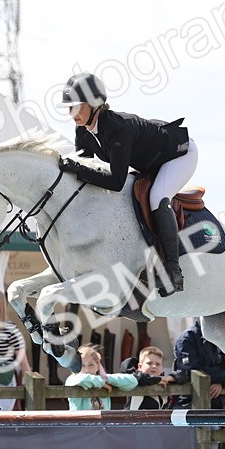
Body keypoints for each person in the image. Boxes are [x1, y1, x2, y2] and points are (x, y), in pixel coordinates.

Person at [57, 72, 195, 295]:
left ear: (94, 104)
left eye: (75, 106)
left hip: (177, 155)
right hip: (148, 163)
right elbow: (84, 170)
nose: (70, 113)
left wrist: (78, 169)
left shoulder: (116, 128)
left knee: (157, 196)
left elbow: (116, 181)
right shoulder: (82, 130)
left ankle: (173, 271)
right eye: (68, 107)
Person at [171, 319, 225, 409]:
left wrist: (223, 383)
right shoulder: (187, 338)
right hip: (189, 406)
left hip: (220, 407)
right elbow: (190, 370)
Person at [65, 345, 138, 410]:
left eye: (91, 365)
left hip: (103, 424)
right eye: (82, 365)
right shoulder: (73, 379)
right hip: (81, 424)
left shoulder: (102, 379)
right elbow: (82, 379)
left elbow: (133, 382)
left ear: (97, 366)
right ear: (76, 367)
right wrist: (102, 383)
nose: (87, 369)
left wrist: (106, 379)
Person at [128, 345, 177, 410]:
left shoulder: (164, 381)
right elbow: (140, 378)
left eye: (158, 364)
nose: (154, 366)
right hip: (134, 418)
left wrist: (170, 378)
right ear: (140, 366)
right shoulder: (135, 376)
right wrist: (158, 380)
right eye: (149, 363)